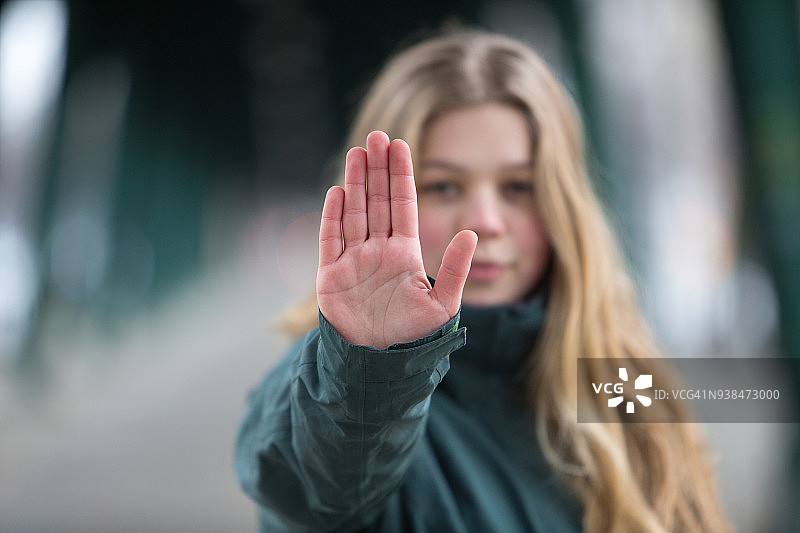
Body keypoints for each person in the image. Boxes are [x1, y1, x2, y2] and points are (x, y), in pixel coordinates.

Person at [235, 29, 732, 532]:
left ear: (564, 204)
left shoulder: (620, 374)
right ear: (376, 194)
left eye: (518, 186)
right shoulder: (331, 382)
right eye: (444, 186)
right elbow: (308, 483)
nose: (485, 221)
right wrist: (371, 366)